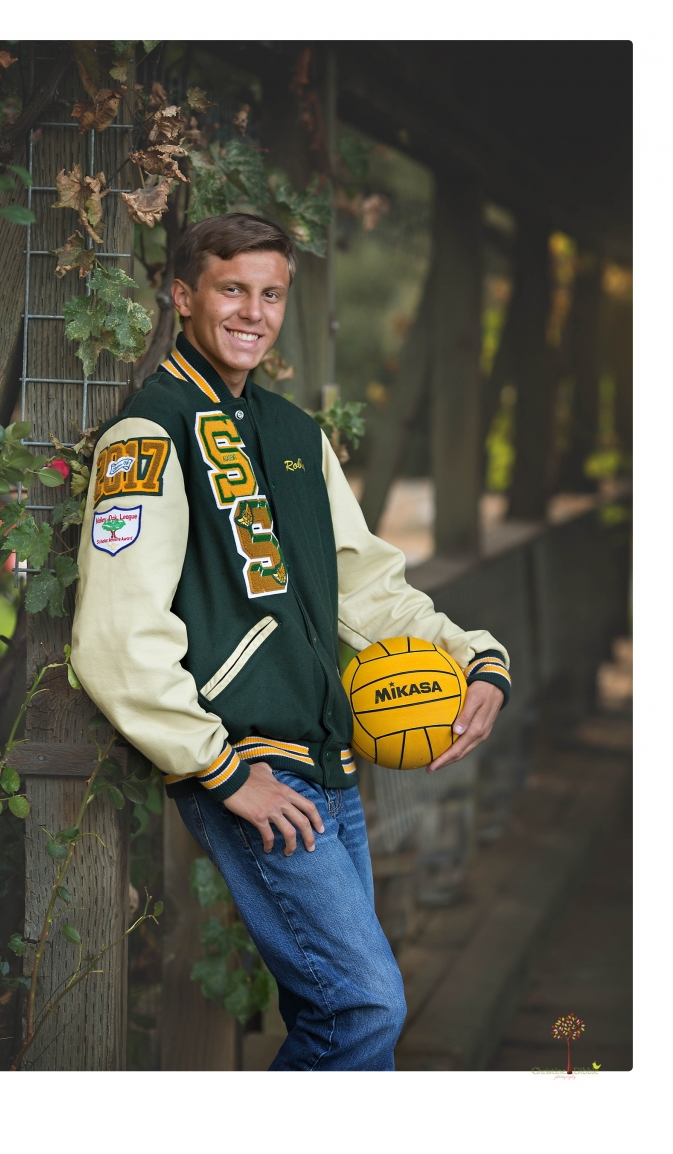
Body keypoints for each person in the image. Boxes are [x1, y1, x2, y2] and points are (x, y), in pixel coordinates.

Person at [70, 212, 511, 1071]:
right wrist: (223, 771)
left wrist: (475, 658)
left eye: (271, 294)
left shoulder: (294, 434)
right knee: (364, 1006)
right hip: (248, 767)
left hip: (328, 763)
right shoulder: (149, 436)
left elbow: (367, 589)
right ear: (183, 296)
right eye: (232, 289)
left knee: (334, 1012)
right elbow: (116, 637)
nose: (253, 312)